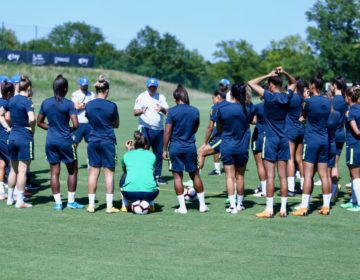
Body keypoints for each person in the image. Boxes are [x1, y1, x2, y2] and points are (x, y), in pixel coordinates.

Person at [248, 67, 296, 218]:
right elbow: (294, 82)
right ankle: (283, 209)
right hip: (283, 139)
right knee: (283, 176)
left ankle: (269, 210)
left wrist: (268, 74)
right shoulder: (287, 97)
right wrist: (285, 73)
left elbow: (251, 83)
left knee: (270, 176)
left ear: (270, 85)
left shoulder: (268, 97)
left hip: (270, 139)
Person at [37, 75, 83, 210]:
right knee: (72, 171)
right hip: (65, 141)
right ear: (65, 88)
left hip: (50, 141)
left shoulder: (46, 103)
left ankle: (58, 203)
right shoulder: (69, 104)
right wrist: (68, 129)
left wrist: (51, 128)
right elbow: (76, 124)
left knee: (54, 173)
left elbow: (39, 122)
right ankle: (70, 201)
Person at [163, 85, 208, 214]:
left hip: (175, 147)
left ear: (175, 98)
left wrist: (164, 149)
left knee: (177, 177)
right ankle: (202, 205)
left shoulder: (171, 112)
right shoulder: (195, 110)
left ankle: (182, 207)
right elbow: (196, 127)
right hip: (190, 147)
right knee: (195, 175)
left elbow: (167, 132)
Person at [293, 74, 331, 216]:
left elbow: (301, 118)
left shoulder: (308, 102)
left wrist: (305, 103)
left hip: (311, 140)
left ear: (314, 86)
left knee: (308, 175)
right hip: (324, 139)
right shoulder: (328, 102)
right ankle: (326, 206)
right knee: (324, 175)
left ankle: (304, 206)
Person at [216, 83, 255, 214]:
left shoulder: (222, 108)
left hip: (227, 146)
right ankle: (240, 204)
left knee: (229, 177)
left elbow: (219, 128)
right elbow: (254, 121)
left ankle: (232, 206)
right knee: (240, 176)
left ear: (231, 93)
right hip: (242, 147)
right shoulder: (248, 107)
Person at [85, 75, 119, 214]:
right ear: (106, 91)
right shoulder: (111, 106)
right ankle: (109, 206)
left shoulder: (89, 105)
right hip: (107, 140)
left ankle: (91, 205)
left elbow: (90, 119)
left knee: (93, 173)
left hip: (93, 140)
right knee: (109, 174)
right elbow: (116, 124)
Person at [5, 75, 35, 208]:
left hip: (12, 136)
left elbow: (1, 113)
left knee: (13, 170)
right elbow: (32, 119)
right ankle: (20, 201)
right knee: (22, 171)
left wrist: (7, 127)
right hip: (24, 137)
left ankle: (10, 198)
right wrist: (31, 130)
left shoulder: (11, 100)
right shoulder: (27, 102)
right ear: (28, 88)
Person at [134, 78, 168, 185]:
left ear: (157, 87)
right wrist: (141, 111)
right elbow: (135, 112)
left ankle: (157, 176)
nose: (152, 89)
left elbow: (168, 111)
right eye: (150, 87)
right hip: (145, 128)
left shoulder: (161, 97)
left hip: (159, 130)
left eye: (154, 87)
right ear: (147, 87)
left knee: (158, 154)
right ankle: (140, 175)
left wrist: (161, 108)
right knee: (142, 153)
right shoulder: (141, 96)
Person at [120, 131, 159, 212]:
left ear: (134, 144)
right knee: (153, 175)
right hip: (150, 194)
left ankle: (125, 205)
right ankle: (151, 204)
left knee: (124, 175)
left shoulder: (127, 155)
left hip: (129, 193)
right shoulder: (152, 156)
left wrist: (129, 150)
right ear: (146, 145)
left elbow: (125, 170)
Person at [198, 90, 226, 175]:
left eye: (212, 98)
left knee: (201, 152)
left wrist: (205, 143)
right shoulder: (231, 105)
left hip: (223, 136)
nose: (212, 100)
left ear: (218, 97)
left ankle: (195, 180)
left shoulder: (216, 107)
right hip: (236, 137)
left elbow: (210, 127)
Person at [286, 78, 306, 196]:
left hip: (291, 130)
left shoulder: (291, 98)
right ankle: (304, 185)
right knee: (299, 158)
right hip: (301, 129)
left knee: (290, 159)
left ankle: (291, 188)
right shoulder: (302, 98)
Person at [207, 79, 231, 176]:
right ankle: (217, 169)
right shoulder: (218, 94)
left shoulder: (230, 95)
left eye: (223, 85)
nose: (221, 86)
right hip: (218, 124)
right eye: (220, 84)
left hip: (226, 125)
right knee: (215, 145)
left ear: (227, 86)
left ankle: (228, 165)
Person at [342, 86, 360, 211]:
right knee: (353, 175)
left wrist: (349, 117)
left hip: (354, 146)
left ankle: (358, 204)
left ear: (349, 98)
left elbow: (357, 132)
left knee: (356, 176)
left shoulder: (352, 112)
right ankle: (353, 201)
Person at [71, 77, 95, 149]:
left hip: (90, 123)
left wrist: (83, 105)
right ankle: (73, 160)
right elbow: (77, 106)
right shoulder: (75, 94)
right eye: (83, 85)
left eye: (86, 85)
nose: (85, 87)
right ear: (80, 85)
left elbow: (94, 107)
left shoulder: (92, 94)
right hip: (79, 122)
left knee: (90, 145)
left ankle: (89, 160)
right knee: (74, 144)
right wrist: (88, 105)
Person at [0, 80, 14, 199]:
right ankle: (13, 192)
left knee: (2, 164)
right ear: (9, 93)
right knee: (12, 164)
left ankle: (1, 192)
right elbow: (8, 118)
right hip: (4, 136)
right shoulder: (6, 103)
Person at [251, 97, 267, 197]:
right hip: (272, 136)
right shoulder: (277, 105)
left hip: (260, 136)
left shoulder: (258, 106)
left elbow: (253, 121)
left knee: (260, 164)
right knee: (270, 165)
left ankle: (264, 190)